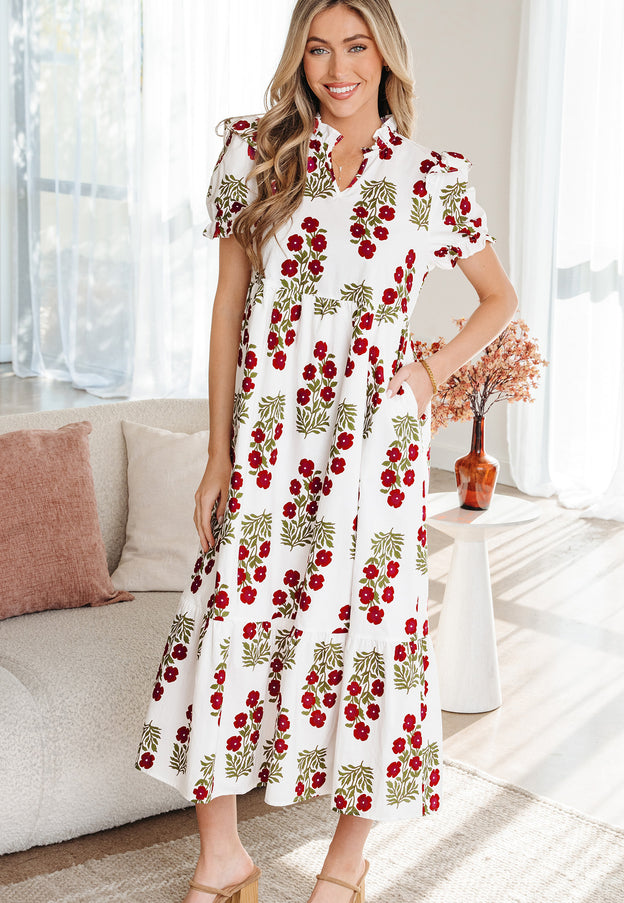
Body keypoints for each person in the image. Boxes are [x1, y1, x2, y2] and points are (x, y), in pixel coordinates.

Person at [134, 1, 518, 901]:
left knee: (367, 638)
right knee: (232, 620)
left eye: (355, 46)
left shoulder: (434, 177)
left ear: (386, 55)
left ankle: (346, 860)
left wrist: (431, 373)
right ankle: (221, 857)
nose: (335, 68)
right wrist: (219, 453)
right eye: (316, 48)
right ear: (297, 57)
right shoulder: (252, 153)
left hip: (370, 453)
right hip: (268, 442)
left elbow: (499, 299)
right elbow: (230, 307)